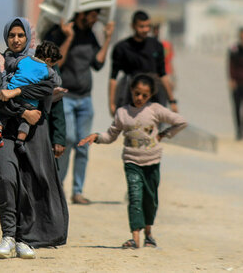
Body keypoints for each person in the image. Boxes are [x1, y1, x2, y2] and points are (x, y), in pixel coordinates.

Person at [0, 17, 68, 259]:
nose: (16, 40)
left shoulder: (37, 63)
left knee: (28, 185)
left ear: (28, 38)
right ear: (6, 37)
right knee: (7, 180)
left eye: (21, 35)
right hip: (4, 132)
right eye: (12, 35)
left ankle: (23, 238)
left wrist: (17, 93)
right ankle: (7, 235)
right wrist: (23, 111)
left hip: (33, 135)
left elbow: (49, 89)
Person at [79, 74, 187, 249]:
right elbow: (111, 135)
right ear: (131, 90)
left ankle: (148, 234)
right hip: (131, 162)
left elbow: (181, 121)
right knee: (135, 197)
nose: (139, 98)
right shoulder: (122, 113)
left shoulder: (155, 110)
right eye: (137, 93)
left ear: (150, 95)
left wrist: (164, 134)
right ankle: (135, 237)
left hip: (152, 162)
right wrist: (97, 137)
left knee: (150, 200)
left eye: (144, 95)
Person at [43, 9, 114, 205]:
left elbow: (98, 64)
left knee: (83, 145)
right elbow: (55, 63)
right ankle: (57, 185)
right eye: (93, 15)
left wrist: (107, 39)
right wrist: (69, 38)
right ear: (82, 13)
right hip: (64, 97)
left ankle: (78, 191)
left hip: (85, 99)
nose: (95, 19)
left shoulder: (90, 35)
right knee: (67, 139)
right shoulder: (60, 32)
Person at [0, 41, 62, 154]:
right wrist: (52, 72)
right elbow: (57, 82)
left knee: (2, 114)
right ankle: (20, 141)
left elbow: (10, 64)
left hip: (10, 94)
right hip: (29, 102)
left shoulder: (24, 59)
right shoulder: (47, 69)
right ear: (48, 60)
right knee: (27, 121)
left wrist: (9, 54)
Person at [109, 10, 178, 116]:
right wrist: (112, 103)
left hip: (154, 94)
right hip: (130, 95)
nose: (145, 30)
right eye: (141, 26)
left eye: (148, 26)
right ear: (133, 26)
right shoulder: (121, 48)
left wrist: (172, 101)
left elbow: (163, 74)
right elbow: (113, 78)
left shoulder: (156, 46)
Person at [152, 22, 175, 91]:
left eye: (158, 30)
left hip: (166, 75)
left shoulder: (167, 45)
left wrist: (173, 78)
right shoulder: (149, 44)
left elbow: (170, 61)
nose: (157, 32)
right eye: (155, 30)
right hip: (153, 76)